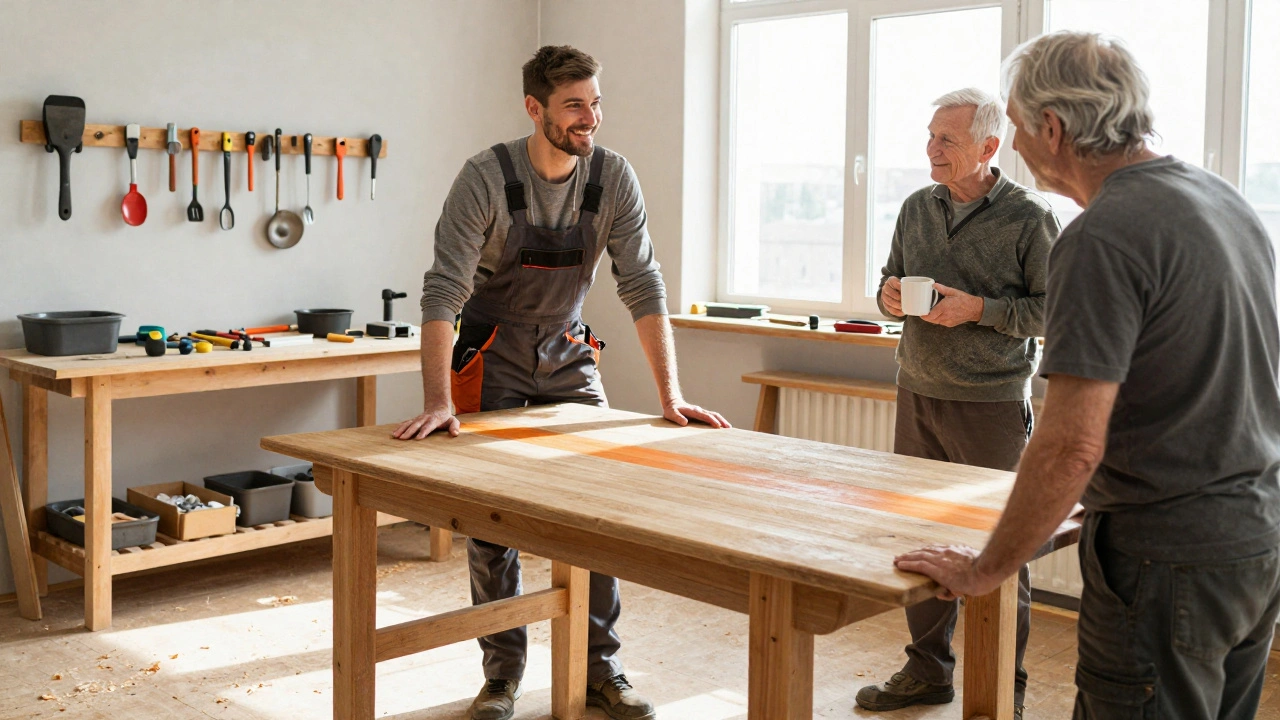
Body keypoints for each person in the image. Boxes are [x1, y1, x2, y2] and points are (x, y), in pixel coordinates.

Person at [896, 31, 1280, 719]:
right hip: (1254, 542)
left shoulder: (1102, 233)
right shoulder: (1225, 202)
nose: (1012, 144)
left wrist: (984, 571)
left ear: (1052, 127)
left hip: (1163, 560)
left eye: (1014, 126)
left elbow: (1072, 442)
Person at [393, 45, 729, 720]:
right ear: (535, 108)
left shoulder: (612, 177)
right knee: (493, 521)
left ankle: (601, 670)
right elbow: (442, 293)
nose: (591, 118)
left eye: (596, 102)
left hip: (570, 354)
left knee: (597, 510)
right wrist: (436, 400)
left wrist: (670, 395)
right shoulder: (485, 177)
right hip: (492, 354)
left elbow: (643, 283)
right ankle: (501, 678)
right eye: (575, 104)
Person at [858, 88, 1059, 716]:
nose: (932, 149)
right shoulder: (918, 207)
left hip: (992, 405)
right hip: (916, 392)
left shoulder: (1031, 217)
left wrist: (981, 310)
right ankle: (927, 672)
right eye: (930, 135)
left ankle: (1006, 690)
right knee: (920, 542)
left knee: (1002, 548)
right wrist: (889, 300)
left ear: (989, 148)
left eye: (947, 140)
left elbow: (1056, 310)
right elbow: (888, 280)